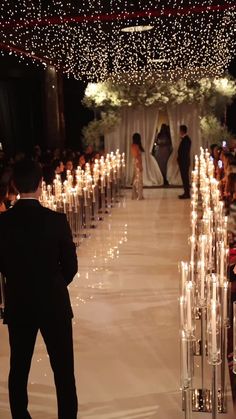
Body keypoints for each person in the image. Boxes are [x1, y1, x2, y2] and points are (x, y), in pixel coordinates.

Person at [0, 159, 78, 419]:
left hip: (19, 302)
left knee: (18, 368)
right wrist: (53, 285)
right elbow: (71, 266)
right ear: (41, 185)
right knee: (63, 370)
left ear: (14, 185)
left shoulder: (3, 223)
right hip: (53, 302)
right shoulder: (56, 220)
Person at [177, 125, 191, 199]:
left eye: (180, 130)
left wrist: (180, 159)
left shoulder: (186, 140)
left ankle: (187, 193)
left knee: (185, 178)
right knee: (184, 178)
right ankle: (186, 192)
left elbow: (184, 152)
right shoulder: (185, 139)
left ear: (182, 131)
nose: (179, 132)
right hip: (183, 162)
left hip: (184, 162)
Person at [131, 133, 144, 200]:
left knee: (137, 179)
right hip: (137, 162)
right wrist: (140, 165)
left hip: (137, 162)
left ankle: (136, 195)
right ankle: (138, 195)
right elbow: (137, 156)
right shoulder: (135, 146)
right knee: (138, 179)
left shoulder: (134, 146)